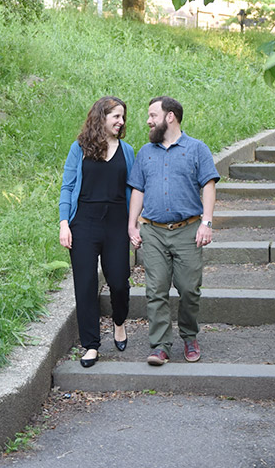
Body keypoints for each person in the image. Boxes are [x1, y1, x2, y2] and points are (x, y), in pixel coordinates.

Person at [126, 95, 219, 367]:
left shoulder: (197, 149)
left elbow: (209, 185)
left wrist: (207, 222)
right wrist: (132, 224)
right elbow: (138, 190)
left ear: (170, 117)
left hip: (188, 230)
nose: (148, 120)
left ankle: (189, 336)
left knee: (189, 288)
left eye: (152, 115)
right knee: (155, 289)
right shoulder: (145, 152)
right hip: (153, 231)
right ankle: (160, 345)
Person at [58, 96, 135, 367]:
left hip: (116, 223)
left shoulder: (127, 151)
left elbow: (133, 191)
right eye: (116, 116)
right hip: (84, 224)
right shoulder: (79, 148)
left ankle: (119, 321)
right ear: (101, 117)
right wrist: (64, 223)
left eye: (123, 117)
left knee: (119, 281)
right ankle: (90, 345)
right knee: (85, 285)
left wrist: (133, 223)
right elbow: (67, 187)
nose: (121, 122)